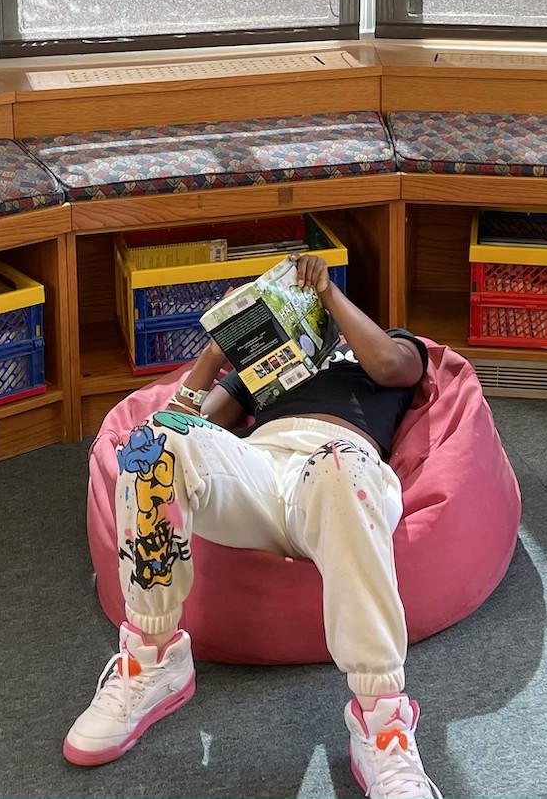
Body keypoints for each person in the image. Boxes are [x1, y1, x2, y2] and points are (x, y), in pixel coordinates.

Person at [65, 252, 441, 799]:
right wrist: (217, 354)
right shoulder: (265, 370)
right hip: (261, 471)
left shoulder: (381, 355)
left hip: (341, 471)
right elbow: (185, 423)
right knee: (153, 444)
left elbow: (391, 365)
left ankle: (381, 722)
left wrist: (328, 293)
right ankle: (153, 658)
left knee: (340, 467)